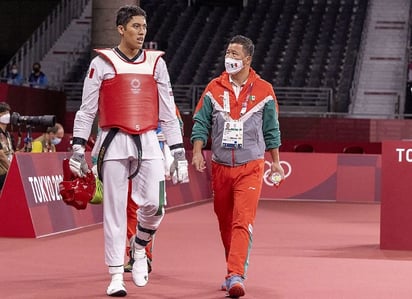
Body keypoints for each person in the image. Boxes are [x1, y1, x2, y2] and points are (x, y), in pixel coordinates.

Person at [68, 5, 188, 297]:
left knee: (155, 206)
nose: (141, 31)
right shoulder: (102, 63)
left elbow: (169, 113)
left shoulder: (156, 63)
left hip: (149, 141)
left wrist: (179, 152)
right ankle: (115, 276)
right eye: (135, 26)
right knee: (114, 212)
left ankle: (139, 246)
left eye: (144, 26)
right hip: (113, 142)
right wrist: (77, 148)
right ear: (121, 29)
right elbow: (86, 110)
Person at [190, 35, 284, 298]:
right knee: (225, 222)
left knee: (243, 221)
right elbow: (200, 122)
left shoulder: (264, 90)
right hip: (220, 167)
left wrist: (275, 162)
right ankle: (233, 268)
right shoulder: (213, 87)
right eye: (228, 52)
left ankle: (235, 275)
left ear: (248, 59)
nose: (229, 58)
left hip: (250, 166)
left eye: (235, 54)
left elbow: (272, 129)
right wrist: (198, 152)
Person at [0, 102, 15, 191]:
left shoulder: (8, 134)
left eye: (8, 113)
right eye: (5, 113)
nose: (8, 115)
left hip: (6, 172)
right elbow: (1, 155)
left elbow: (12, 152)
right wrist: (12, 170)